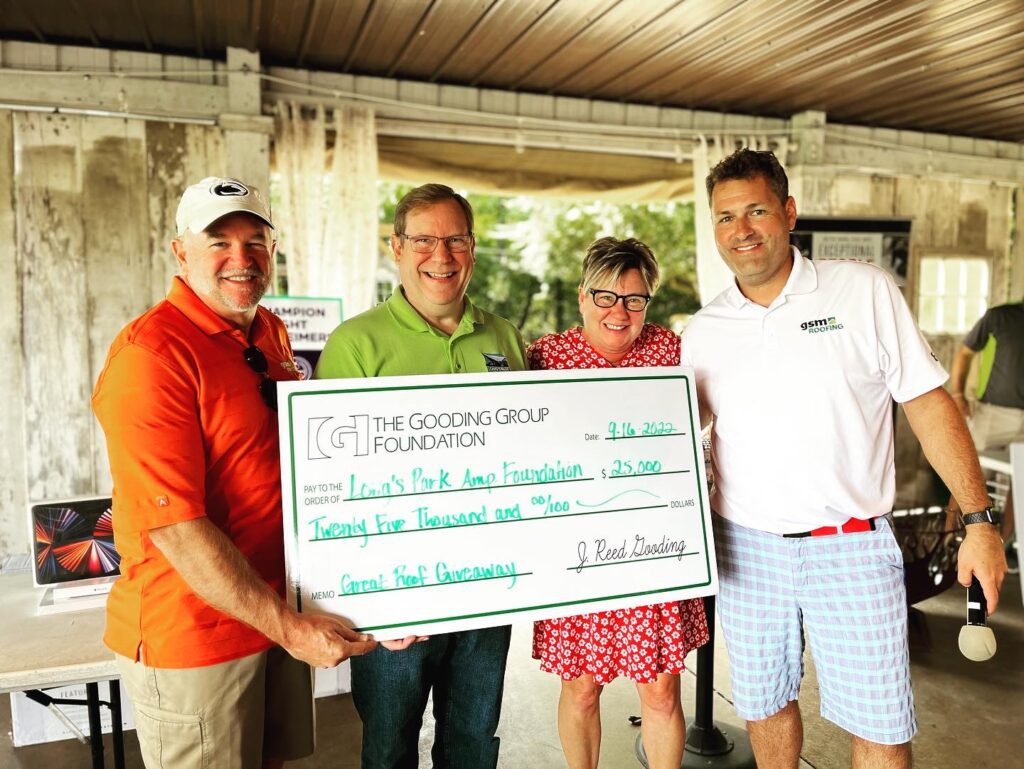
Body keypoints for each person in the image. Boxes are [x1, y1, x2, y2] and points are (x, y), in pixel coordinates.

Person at [681, 149, 1007, 769]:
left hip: (851, 547)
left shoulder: (863, 291)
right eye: (725, 217)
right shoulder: (703, 330)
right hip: (744, 548)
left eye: (756, 210)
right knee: (764, 706)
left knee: (879, 722)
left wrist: (979, 522)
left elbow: (929, 404)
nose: (741, 230)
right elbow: (683, 440)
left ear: (789, 212)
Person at [93, 177, 377, 769]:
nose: (240, 259)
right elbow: (176, 528)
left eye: (256, 241)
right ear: (181, 251)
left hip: (275, 609)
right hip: (197, 635)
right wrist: (291, 629)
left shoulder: (268, 330)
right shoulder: (151, 357)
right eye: (219, 241)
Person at [314, 183, 527, 769]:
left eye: (455, 239)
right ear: (397, 247)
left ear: (473, 248)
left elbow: (528, 461)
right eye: (425, 240)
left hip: (488, 587)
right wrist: (376, 600)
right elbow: (334, 489)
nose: (442, 255)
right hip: (395, 599)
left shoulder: (505, 338)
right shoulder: (355, 344)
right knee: (388, 747)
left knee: (474, 744)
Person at [527, 236, 710, 769]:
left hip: (651, 550)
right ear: (583, 297)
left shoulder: (672, 353)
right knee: (581, 690)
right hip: (575, 552)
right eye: (606, 296)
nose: (619, 311)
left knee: (660, 693)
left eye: (634, 298)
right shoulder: (545, 357)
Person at [948, 300, 1023, 559]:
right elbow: (965, 352)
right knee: (966, 471)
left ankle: (1004, 548)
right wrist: (958, 393)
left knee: (1020, 485)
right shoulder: (999, 317)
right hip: (992, 413)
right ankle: (948, 540)